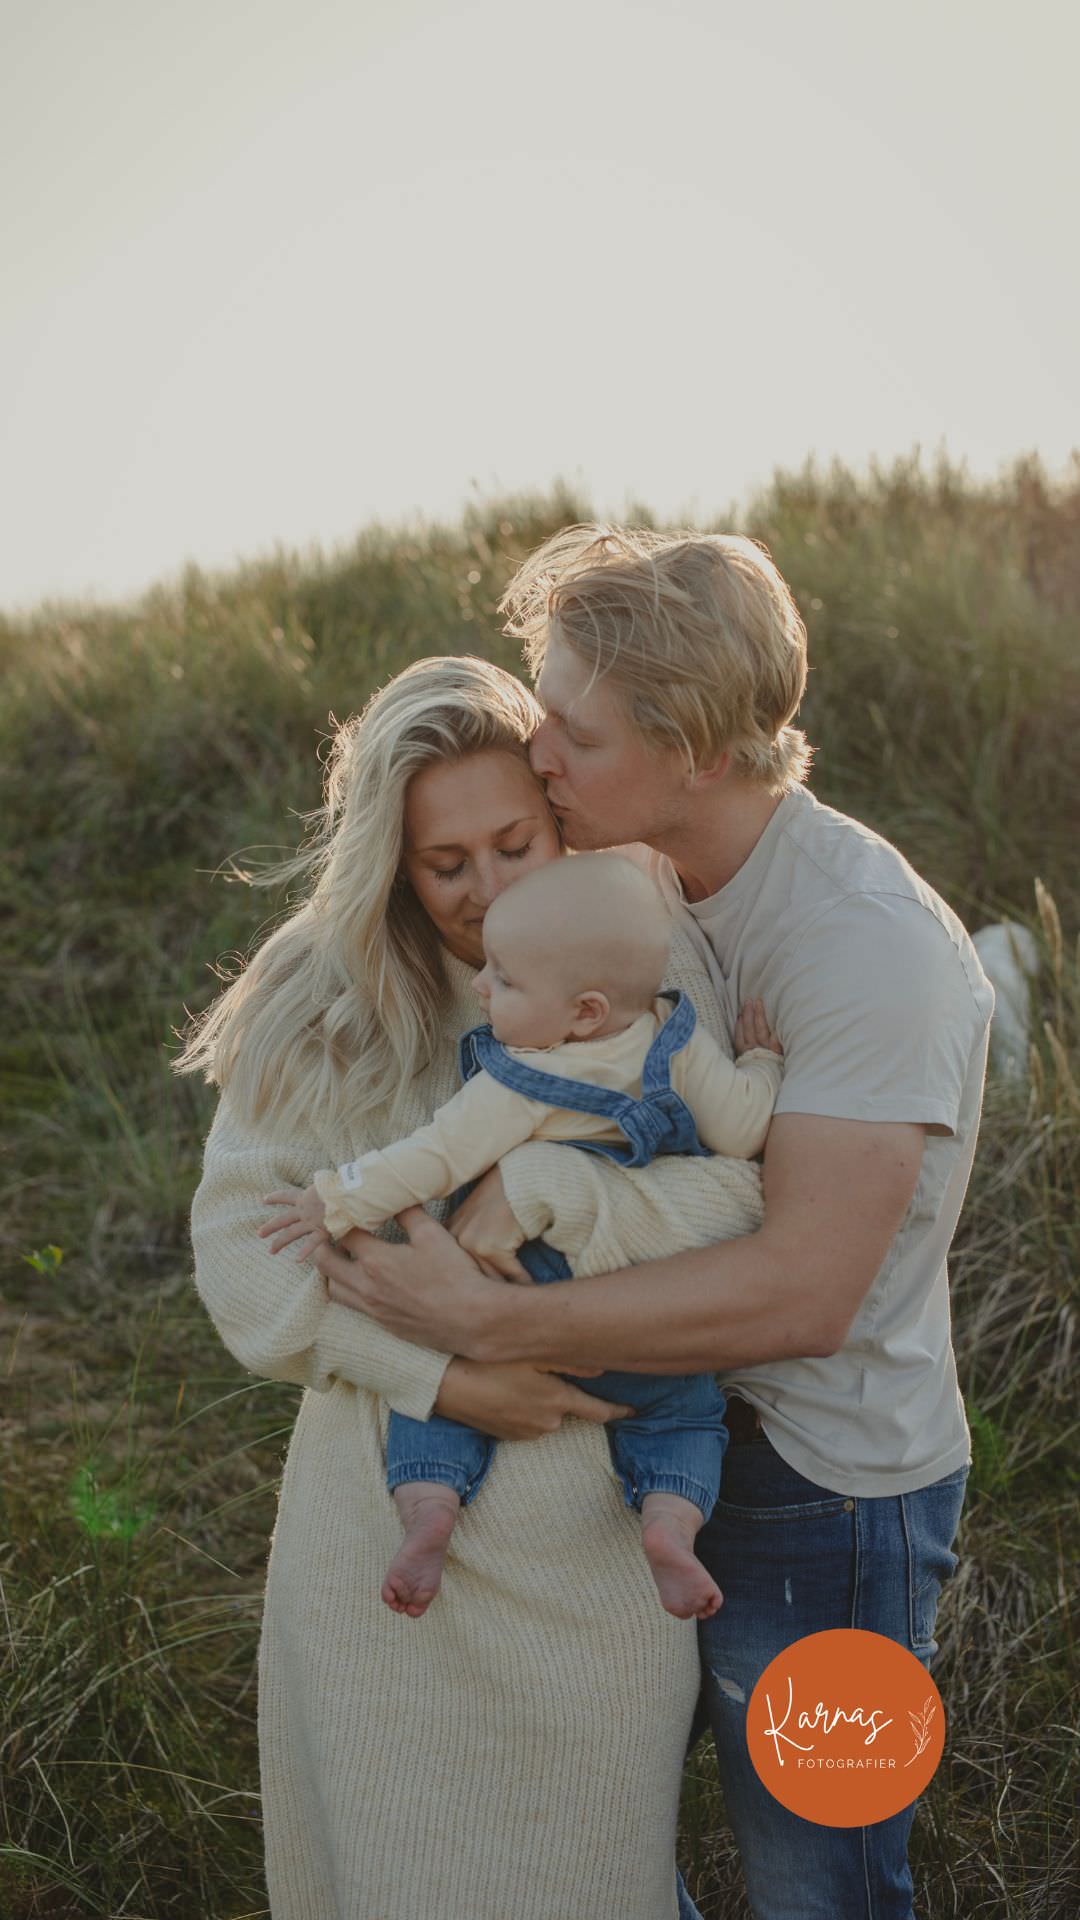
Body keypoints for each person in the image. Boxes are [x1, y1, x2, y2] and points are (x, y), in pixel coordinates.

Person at [313, 529, 995, 1920]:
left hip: (836, 1493)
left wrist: (492, 1322)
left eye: (573, 726)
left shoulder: (869, 947)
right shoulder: (632, 884)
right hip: (655, 1442)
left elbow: (800, 1295)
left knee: (824, 1880)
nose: (539, 749)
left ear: (693, 749)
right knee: (586, 1849)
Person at [178, 653, 764, 1920]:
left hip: (604, 1551)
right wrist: (445, 1371)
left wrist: (574, 1199)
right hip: (388, 1547)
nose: (491, 891)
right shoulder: (320, 997)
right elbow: (247, 1268)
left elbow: (747, 1201)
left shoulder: (644, 947)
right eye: (449, 866)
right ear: (393, 865)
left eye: (518, 844)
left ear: (562, 818)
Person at [259, 852, 783, 1621]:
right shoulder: (675, 1039)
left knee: (438, 1405)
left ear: (584, 1014)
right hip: (638, 1315)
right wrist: (766, 1060)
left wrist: (333, 1200)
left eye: (504, 981)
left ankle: (431, 1508)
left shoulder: (517, 1083)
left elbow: (430, 1161)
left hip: (517, 1294)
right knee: (685, 1412)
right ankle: (671, 1524)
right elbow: (744, 1128)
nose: (481, 987)